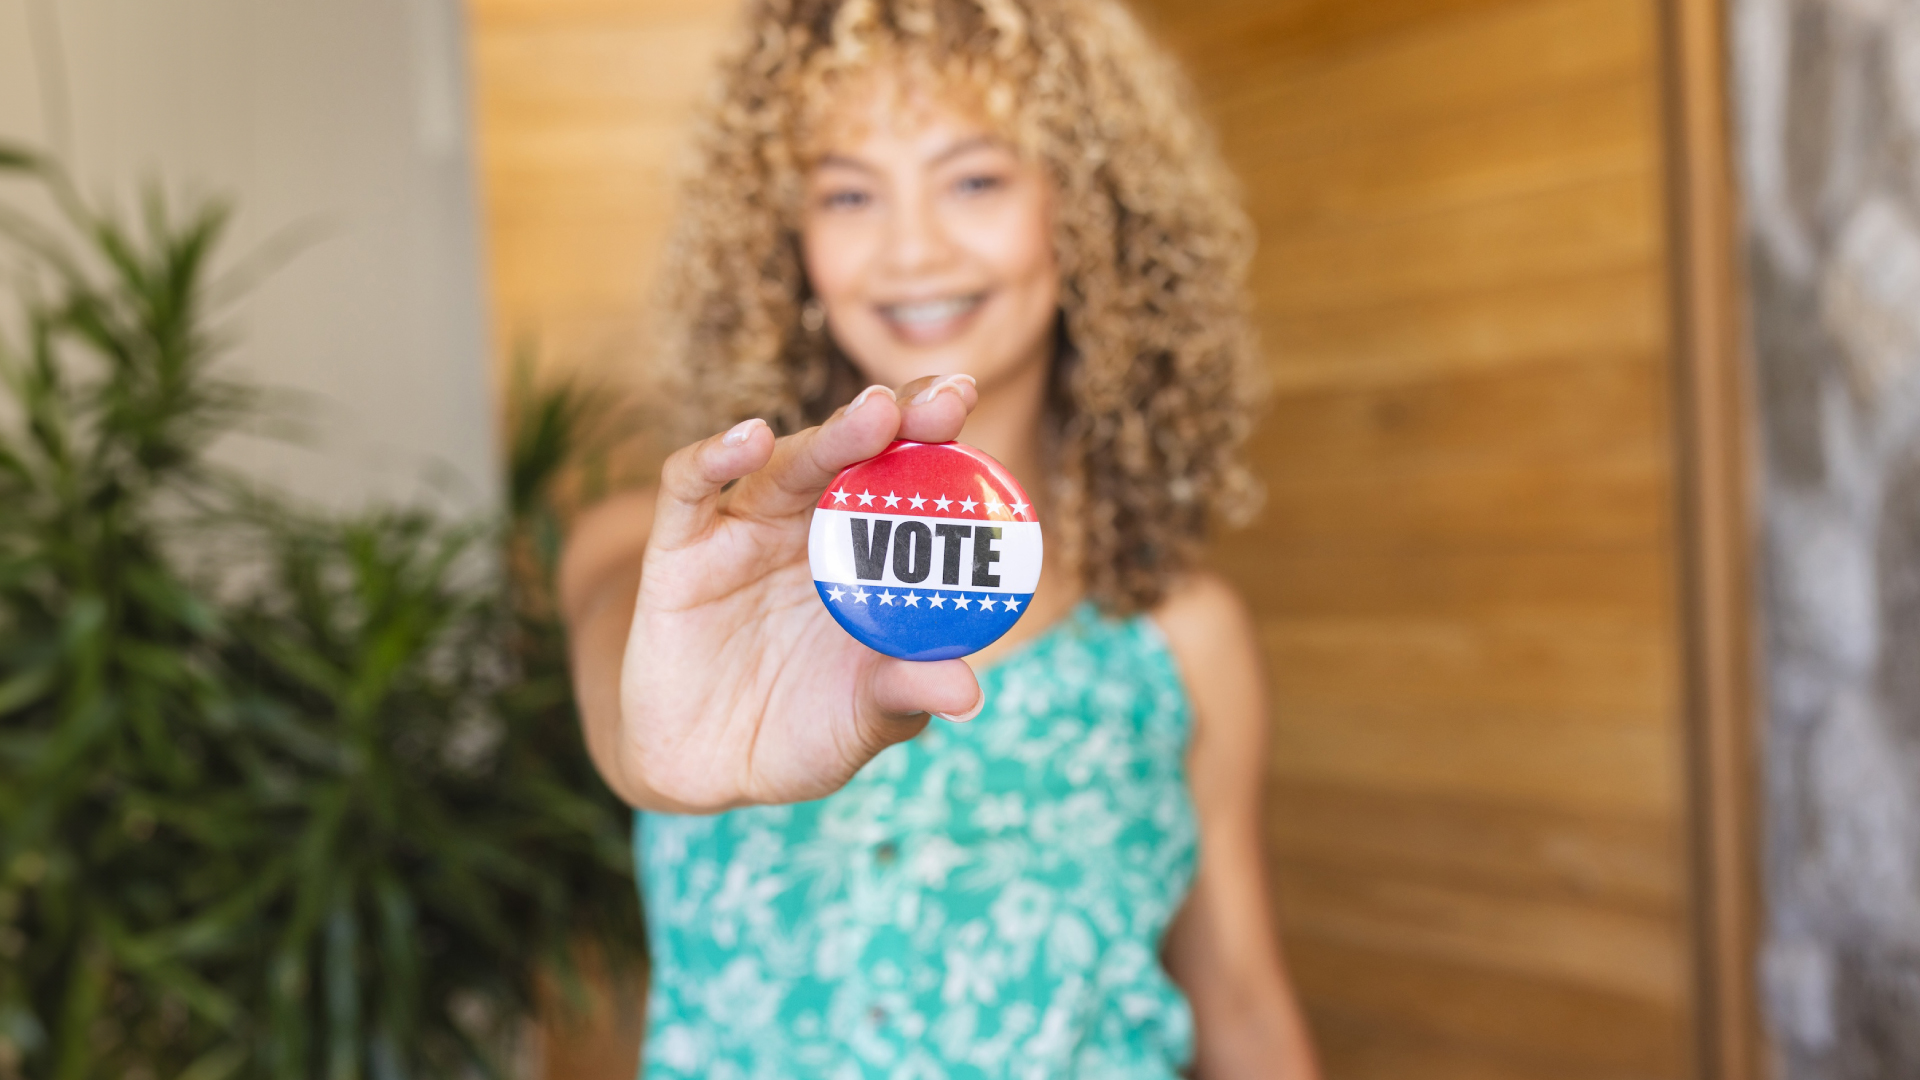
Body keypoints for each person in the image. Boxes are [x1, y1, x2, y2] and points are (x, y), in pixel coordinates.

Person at [559, 0, 1321, 1075]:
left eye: (975, 178)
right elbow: (621, 680)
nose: (911, 248)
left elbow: (1241, 1005)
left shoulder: (1180, 637)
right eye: (849, 192)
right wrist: (648, 746)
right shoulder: (661, 556)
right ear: (789, 242)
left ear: (1088, 211)